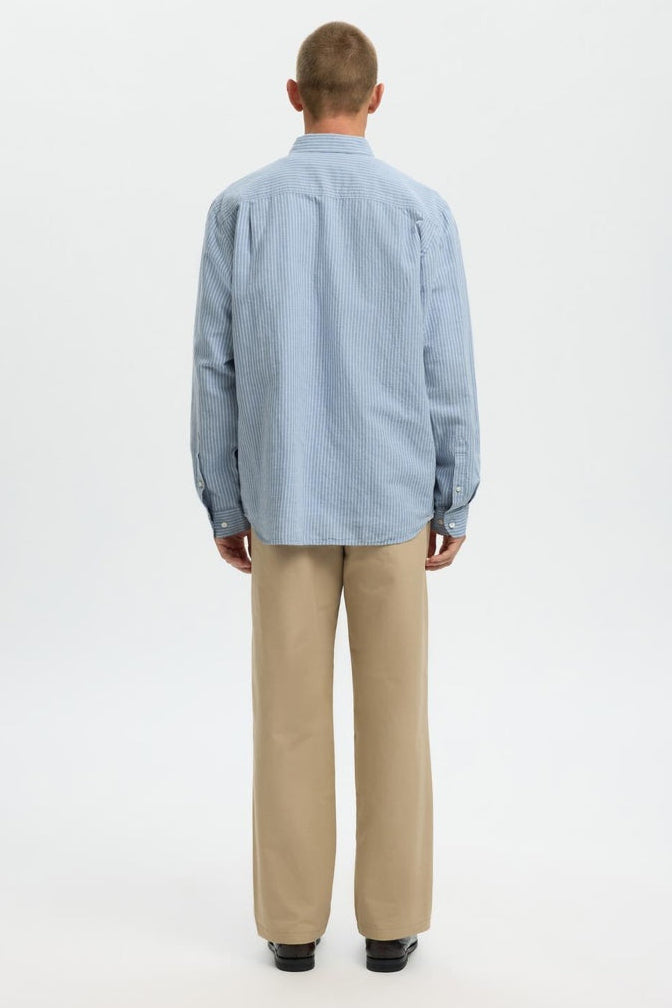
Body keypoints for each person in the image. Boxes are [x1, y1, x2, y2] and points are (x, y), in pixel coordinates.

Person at [189, 20, 481, 973]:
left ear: (294, 94)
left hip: (284, 496)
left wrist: (225, 500)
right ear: (377, 99)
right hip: (394, 499)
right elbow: (447, 366)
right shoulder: (421, 211)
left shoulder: (240, 208)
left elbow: (215, 369)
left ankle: (291, 930)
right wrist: (454, 494)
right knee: (396, 716)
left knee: (287, 719)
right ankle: (390, 928)